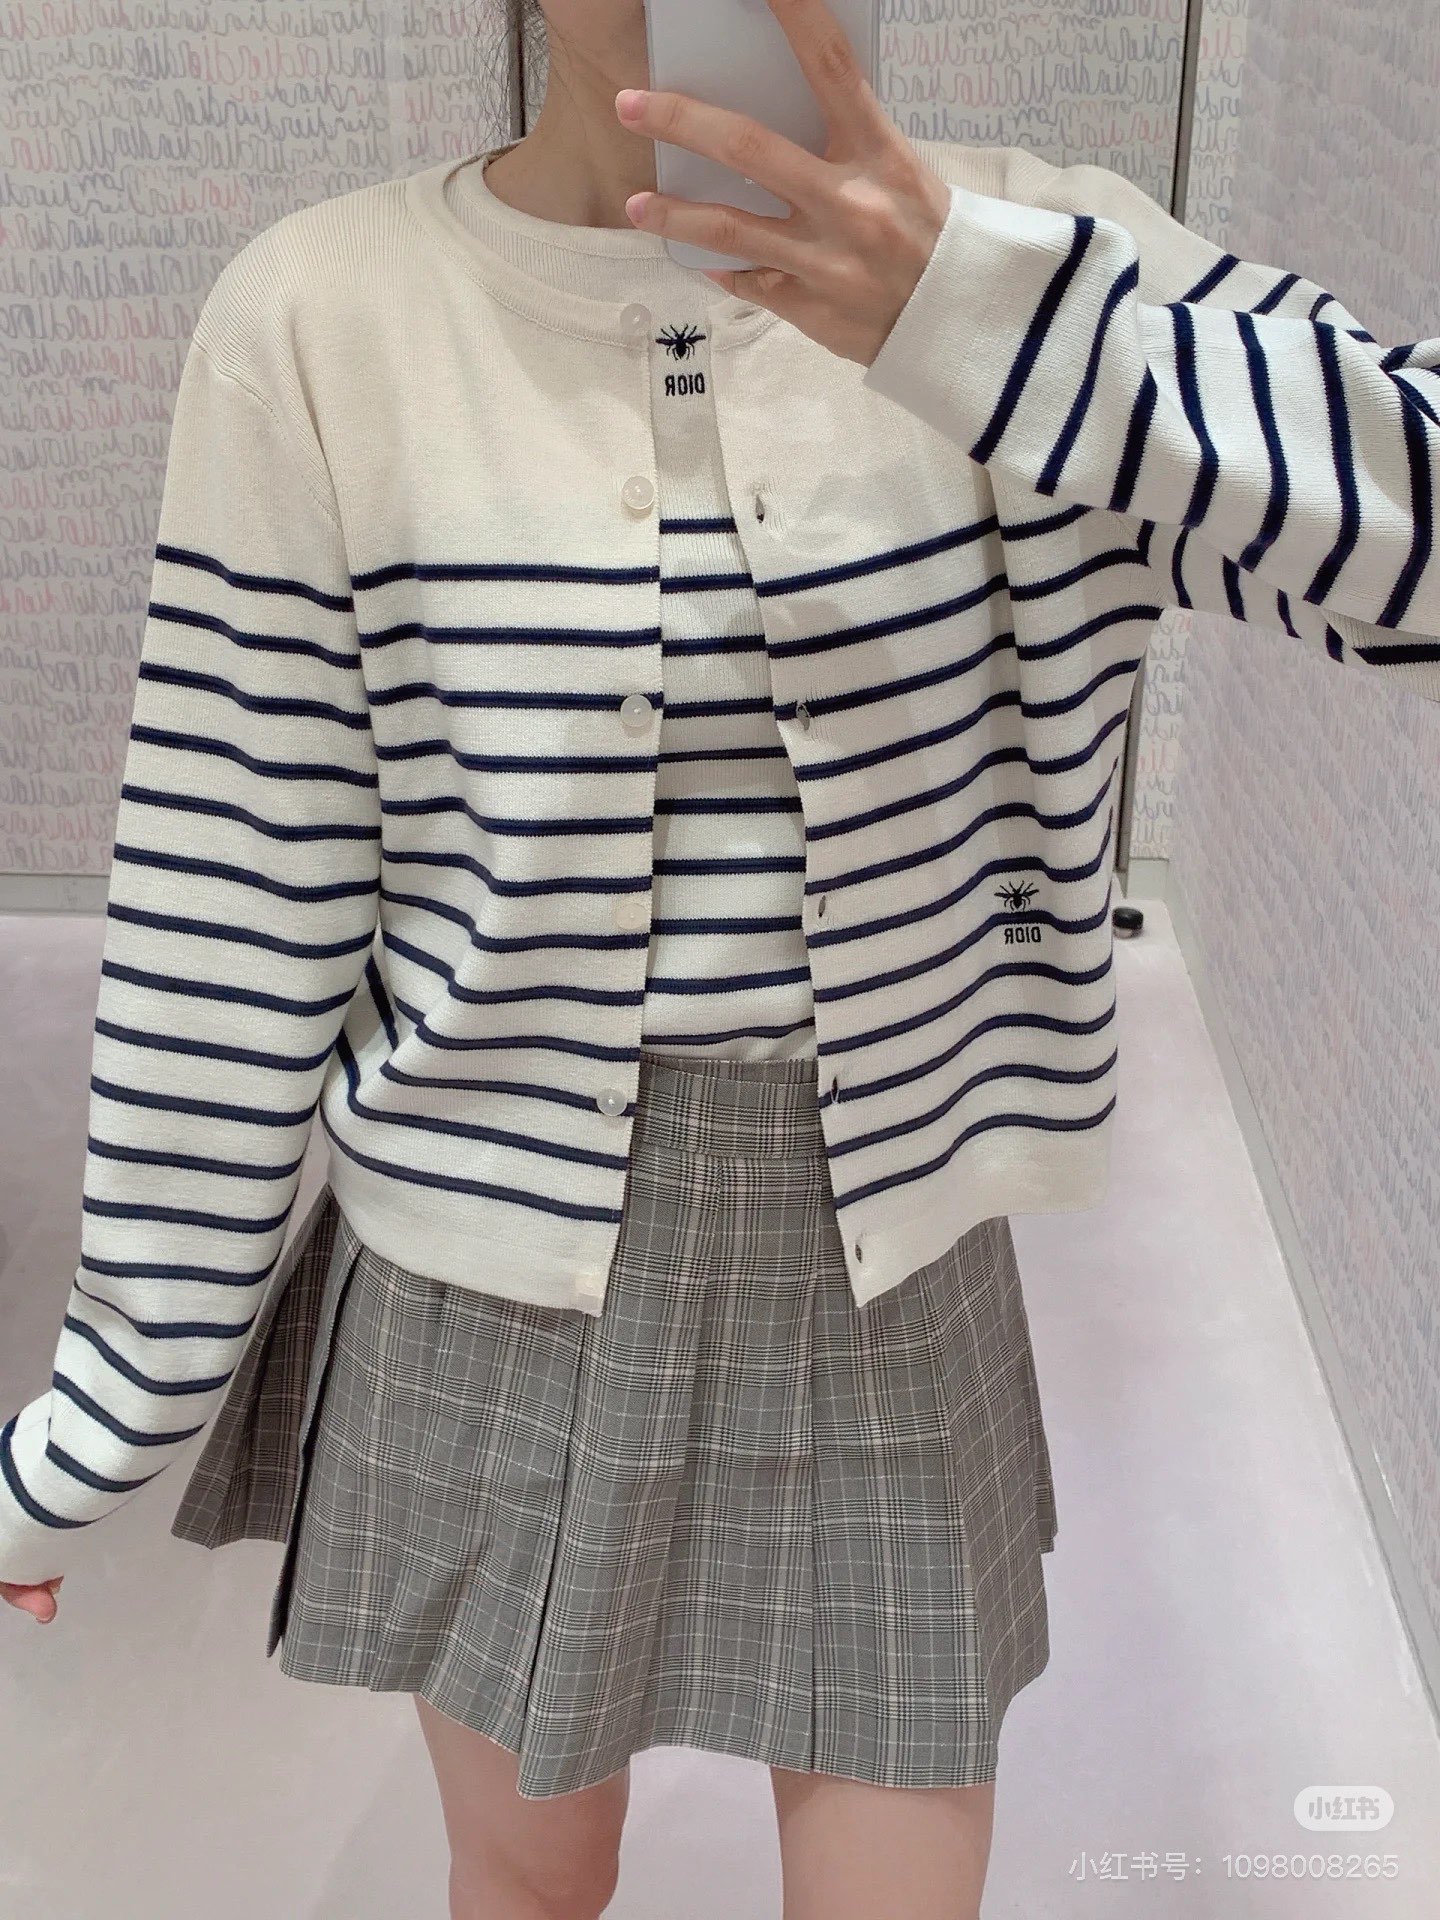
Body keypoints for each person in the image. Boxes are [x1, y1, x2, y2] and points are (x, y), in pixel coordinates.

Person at [3, 1, 1438, 1916]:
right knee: (527, 1881)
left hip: (884, 1264)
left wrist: (987, 322)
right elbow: (236, 888)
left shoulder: (1042, 249)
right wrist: (112, 1402)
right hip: (480, 1271)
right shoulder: (324, 318)